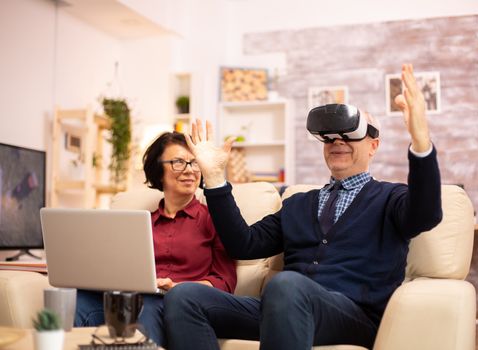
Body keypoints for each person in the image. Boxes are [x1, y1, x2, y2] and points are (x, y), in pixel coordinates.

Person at [163, 63, 442, 350]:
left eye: (349, 134)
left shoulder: (390, 198)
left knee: (286, 285)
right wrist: (215, 179)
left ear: (373, 145)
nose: (337, 142)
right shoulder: (298, 203)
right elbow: (243, 246)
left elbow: (426, 214)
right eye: (329, 136)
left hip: (353, 316)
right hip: (283, 308)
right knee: (183, 297)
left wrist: (421, 142)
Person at [74, 131, 237, 348]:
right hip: (129, 299)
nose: (189, 170)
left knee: (148, 305)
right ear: (158, 170)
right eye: (179, 162)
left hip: (175, 304)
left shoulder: (215, 219)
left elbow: (225, 281)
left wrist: (177, 287)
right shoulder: (139, 224)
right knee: (77, 301)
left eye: (194, 163)